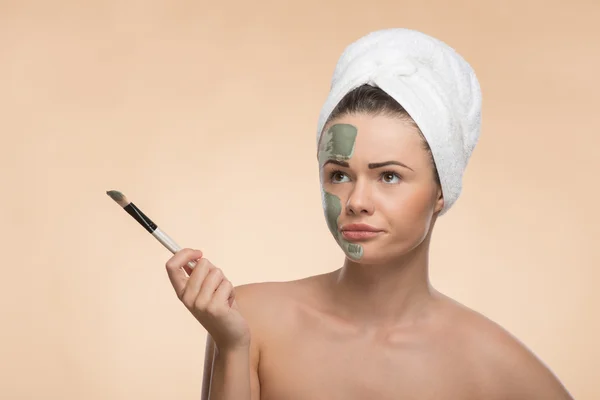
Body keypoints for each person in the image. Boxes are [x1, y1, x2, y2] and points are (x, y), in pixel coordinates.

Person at [165, 29, 574, 400]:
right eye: (340, 174)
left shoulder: (491, 363)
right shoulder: (250, 320)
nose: (357, 201)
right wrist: (233, 347)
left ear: (440, 192)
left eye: (390, 176)